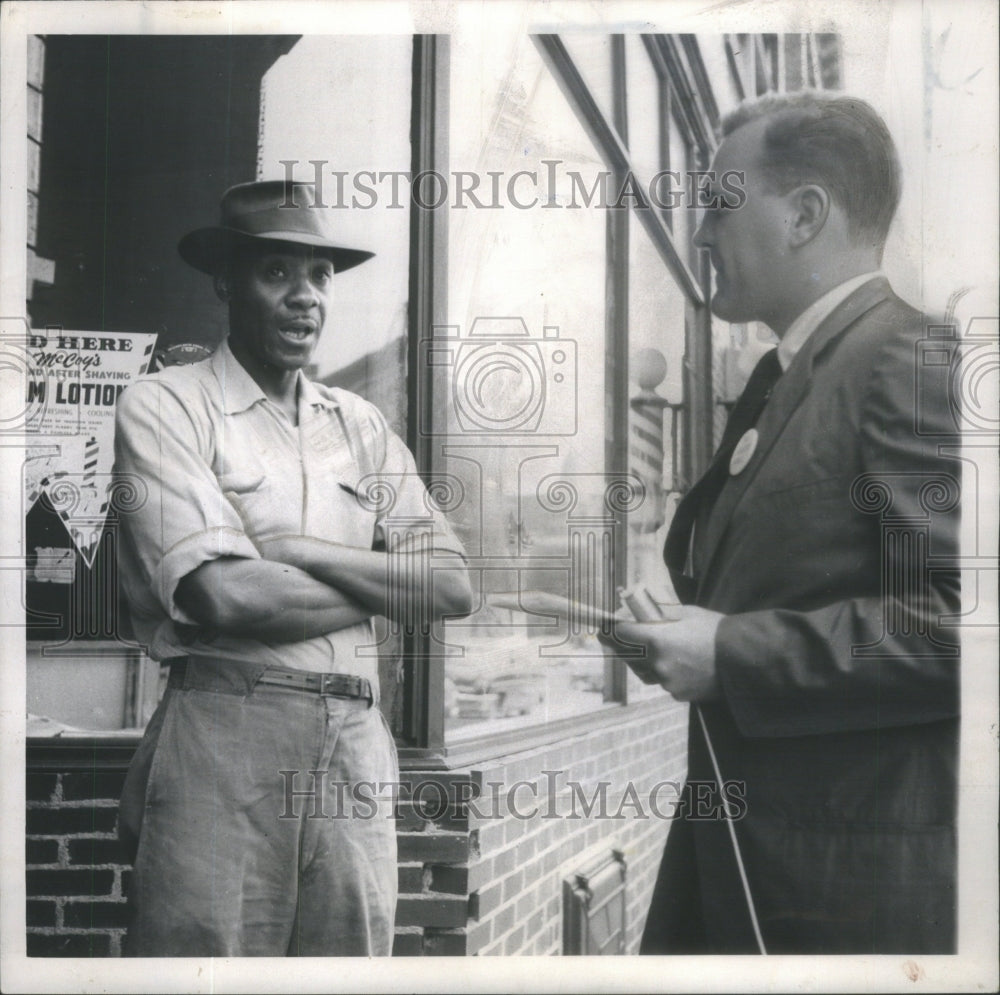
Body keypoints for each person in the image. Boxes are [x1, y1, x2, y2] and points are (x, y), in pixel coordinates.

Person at [604, 93, 960, 953]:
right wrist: (687, 637)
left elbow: (967, 626)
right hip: (753, 866)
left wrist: (731, 651)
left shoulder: (906, 360)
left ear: (804, 215)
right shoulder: (798, 374)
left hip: (843, 895)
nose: (699, 236)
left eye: (718, 206)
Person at [113, 179, 472, 956]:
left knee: (347, 967)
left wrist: (302, 553)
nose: (304, 296)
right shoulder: (167, 405)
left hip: (354, 742)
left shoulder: (361, 425)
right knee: (203, 965)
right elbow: (223, 594)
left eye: (319, 276)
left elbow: (450, 582)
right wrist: (382, 584)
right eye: (276, 272)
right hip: (226, 731)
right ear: (226, 281)